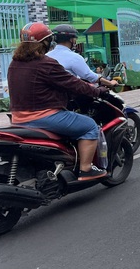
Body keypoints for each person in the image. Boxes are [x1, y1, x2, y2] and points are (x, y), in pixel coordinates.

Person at [7, 22, 109, 181]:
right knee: (89, 126)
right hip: (44, 117)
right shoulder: (45, 64)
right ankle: (86, 169)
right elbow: (74, 84)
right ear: (45, 43)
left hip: (18, 118)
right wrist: (98, 91)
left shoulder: (15, 63)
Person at [47, 24, 119, 89]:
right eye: (75, 39)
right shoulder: (74, 57)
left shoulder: (46, 56)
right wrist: (110, 83)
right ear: (71, 39)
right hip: (68, 97)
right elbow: (90, 76)